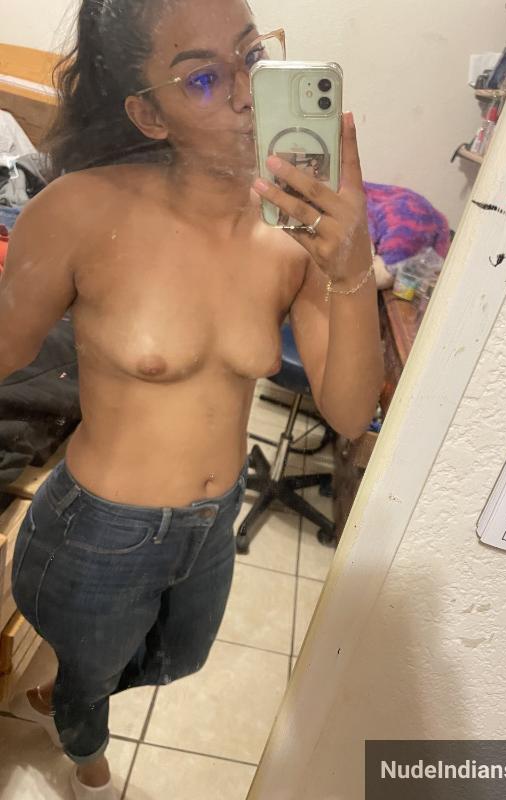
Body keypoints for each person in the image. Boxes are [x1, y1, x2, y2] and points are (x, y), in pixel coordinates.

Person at [0, 0, 383, 796]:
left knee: (183, 659)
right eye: (203, 79)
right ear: (149, 113)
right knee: (89, 687)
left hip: (214, 521)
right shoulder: (78, 211)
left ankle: (73, 686)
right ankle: (85, 758)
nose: (244, 93)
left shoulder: (294, 233)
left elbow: (350, 414)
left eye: (253, 56)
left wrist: (352, 267)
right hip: (98, 530)